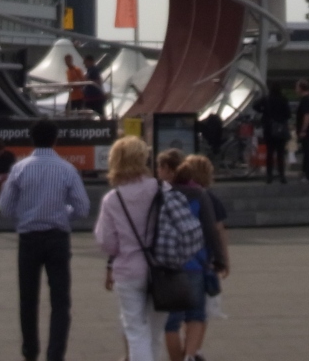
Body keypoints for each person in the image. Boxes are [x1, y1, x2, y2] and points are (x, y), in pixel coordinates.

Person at [0, 119, 91, 361]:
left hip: (29, 239)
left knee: (28, 299)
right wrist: (64, 213)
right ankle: (55, 355)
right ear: (55, 139)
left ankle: (30, 352)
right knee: (60, 302)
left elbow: (5, 208)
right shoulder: (67, 169)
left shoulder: (19, 169)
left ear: (32, 139)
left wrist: (24, 214)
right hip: (57, 238)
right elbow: (82, 208)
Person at [94, 136, 165, 361]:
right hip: (162, 268)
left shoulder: (113, 199)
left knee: (135, 331)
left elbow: (106, 242)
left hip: (128, 269)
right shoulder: (160, 189)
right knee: (155, 332)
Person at [156, 149, 226, 361]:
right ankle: (190, 355)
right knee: (196, 315)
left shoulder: (163, 196)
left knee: (171, 324)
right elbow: (211, 230)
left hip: (170, 266)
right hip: (196, 263)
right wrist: (220, 260)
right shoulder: (200, 195)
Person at [180, 155, 228, 361]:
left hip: (176, 261)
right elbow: (218, 231)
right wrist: (223, 259)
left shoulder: (176, 194)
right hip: (201, 261)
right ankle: (194, 350)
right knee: (200, 312)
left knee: (181, 313)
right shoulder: (210, 198)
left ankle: (187, 349)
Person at [252, 84, 291, 183]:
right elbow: (288, 114)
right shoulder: (283, 99)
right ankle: (282, 175)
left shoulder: (266, 99)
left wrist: (263, 111)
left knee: (270, 152)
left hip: (269, 128)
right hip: (281, 129)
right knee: (280, 153)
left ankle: (269, 175)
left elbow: (255, 106)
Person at [294, 80, 309, 181]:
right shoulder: (308, 100)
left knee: (308, 152)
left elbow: (307, 116)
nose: (295, 89)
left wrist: (303, 130)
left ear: (301, 88)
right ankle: (306, 172)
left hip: (307, 131)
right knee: (307, 151)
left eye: (297, 87)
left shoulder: (305, 101)